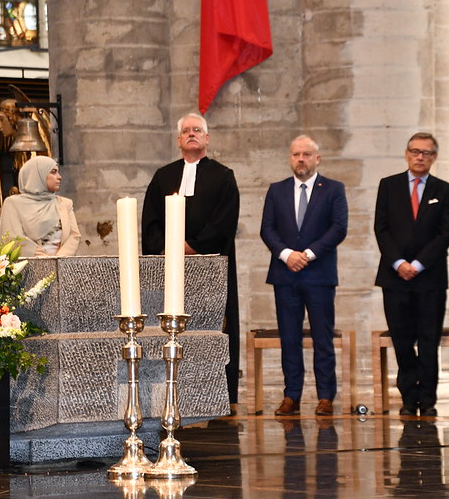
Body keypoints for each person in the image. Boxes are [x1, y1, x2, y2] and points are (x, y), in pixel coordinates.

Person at [141, 113, 241, 408]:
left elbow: (225, 221)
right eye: (186, 131)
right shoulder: (163, 177)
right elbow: (151, 220)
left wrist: (191, 246)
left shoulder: (223, 176)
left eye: (197, 130)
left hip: (209, 266)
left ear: (207, 138)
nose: (192, 134)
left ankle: (219, 396)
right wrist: (166, 248)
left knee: (215, 327)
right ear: (178, 140)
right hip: (170, 267)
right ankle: (170, 396)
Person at [260, 135, 348, 416]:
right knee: (289, 338)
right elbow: (267, 229)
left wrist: (308, 255)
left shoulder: (333, 189)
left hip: (319, 274)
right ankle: (291, 395)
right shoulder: (277, 190)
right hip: (285, 274)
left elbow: (338, 228)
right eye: (296, 154)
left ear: (317, 159)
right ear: (290, 158)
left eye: (307, 154)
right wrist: (287, 255)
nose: (301, 159)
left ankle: (325, 397)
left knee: (323, 338)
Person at [374, 133, 449, 417]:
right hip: (394, 277)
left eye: (426, 153)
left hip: (430, 278)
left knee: (429, 339)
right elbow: (381, 229)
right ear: (406, 154)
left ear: (434, 157)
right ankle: (409, 397)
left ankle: (428, 398)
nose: (420, 157)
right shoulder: (388, 186)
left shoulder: (445, 191)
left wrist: (418, 264)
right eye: (415, 151)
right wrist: (399, 263)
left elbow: (444, 234)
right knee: (402, 340)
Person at [0, 155, 80, 257]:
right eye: (53, 172)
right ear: (37, 175)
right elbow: (13, 239)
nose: (59, 177)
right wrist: (44, 259)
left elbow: (74, 236)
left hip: (62, 263)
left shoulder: (65, 204)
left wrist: (59, 259)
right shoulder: (13, 204)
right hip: (29, 264)